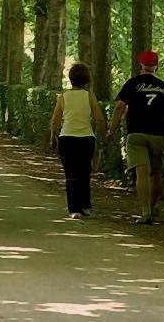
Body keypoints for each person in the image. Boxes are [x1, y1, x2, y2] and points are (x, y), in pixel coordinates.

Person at [106, 50, 164, 224]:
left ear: (140, 64)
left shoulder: (132, 84)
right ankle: (153, 207)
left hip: (136, 134)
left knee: (142, 172)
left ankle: (145, 212)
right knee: (156, 173)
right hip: (160, 135)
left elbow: (119, 107)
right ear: (156, 66)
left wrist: (112, 129)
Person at [49, 63, 107, 219]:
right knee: (84, 172)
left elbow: (55, 121)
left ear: (70, 78)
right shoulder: (89, 96)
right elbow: (99, 119)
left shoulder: (63, 97)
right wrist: (104, 136)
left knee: (71, 174)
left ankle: (73, 208)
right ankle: (85, 205)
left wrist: (52, 138)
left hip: (66, 139)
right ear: (87, 79)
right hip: (86, 139)